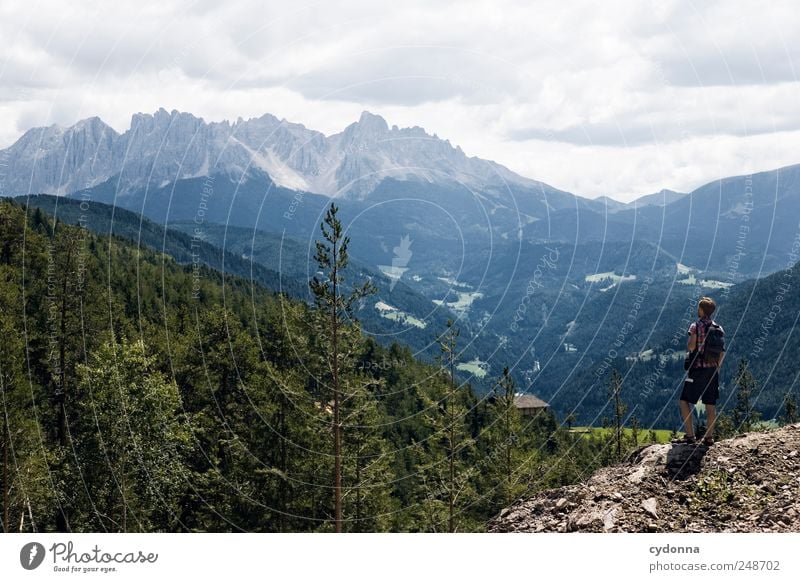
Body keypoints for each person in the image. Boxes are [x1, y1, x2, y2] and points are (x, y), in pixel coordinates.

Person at [678, 296, 725, 446]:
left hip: (698, 370)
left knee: (684, 401)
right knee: (710, 404)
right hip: (712, 372)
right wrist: (717, 367)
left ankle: (690, 436)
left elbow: (691, 347)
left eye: (699, 308)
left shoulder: (695, 326)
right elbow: (722, 351)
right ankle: (709, 437)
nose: (697, 310)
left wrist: (691, 343)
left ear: (702, 310)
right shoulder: (718, 328)